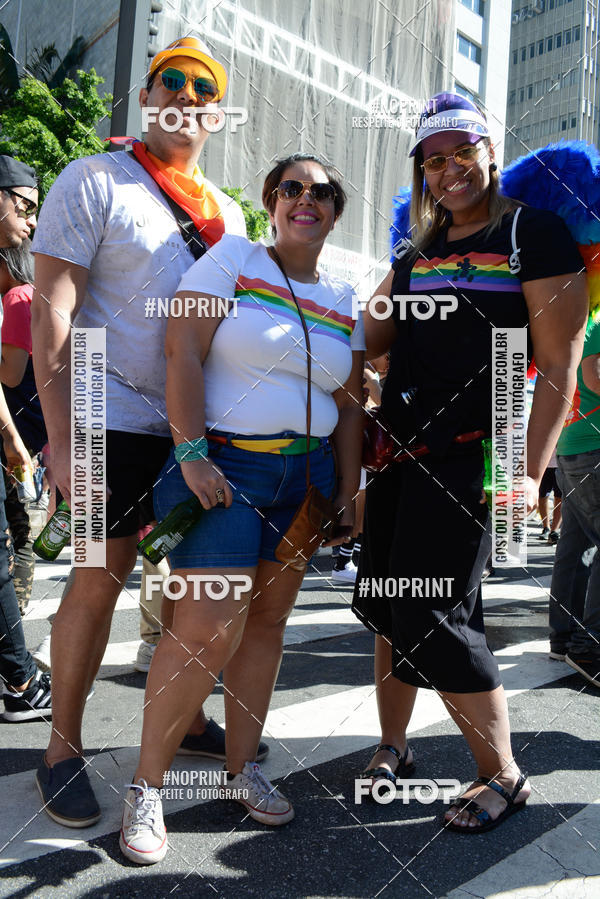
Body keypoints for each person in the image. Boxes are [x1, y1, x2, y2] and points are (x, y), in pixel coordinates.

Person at [119, 153, 364, 864]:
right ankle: (147, 785)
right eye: (293, 188)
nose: (306, 200)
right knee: (201, 632)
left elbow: (348, 406)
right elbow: (182, 348)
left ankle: (240, 769)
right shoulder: (232, 258)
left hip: (306, 478)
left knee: (266, 625)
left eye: (322, 191)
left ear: (334, 210)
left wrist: (348, 488)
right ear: (271, 200)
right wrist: (192, 452)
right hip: (227, 469)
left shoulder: (345, 296)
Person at [352, 92, 588, 833]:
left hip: (475, 454)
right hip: (398, 450)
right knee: (394, 600)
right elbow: (374, 335)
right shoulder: (418, 249)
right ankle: (395, 744)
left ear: (491, 149)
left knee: (436, 608)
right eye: (434, 160)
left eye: (464, 152)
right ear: (421, 172)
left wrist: (525, 469)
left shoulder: (532, 233)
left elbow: (559, 365)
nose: (451, 169)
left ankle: (503, 773)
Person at [31, 36, 249, 828]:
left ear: (217, 112)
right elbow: (53, 313)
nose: (186, 96)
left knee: (193, 584)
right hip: (104, 416)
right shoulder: (94, 178)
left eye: (203, 89)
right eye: (171, 82)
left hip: (194, 429)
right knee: (98, 577)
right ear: (147, 95)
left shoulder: (227, 210)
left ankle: (187, 719)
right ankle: (62, 747)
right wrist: (61, 439)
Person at [0, 155, 53, 722]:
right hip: (20, 442)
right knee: (11, 550)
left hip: (21, 442)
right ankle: (16, 677)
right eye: (24, 206)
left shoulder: (18, 300)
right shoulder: (23, 300)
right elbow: (9, 377)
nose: (32, 220)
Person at [549, 310, 600, 687]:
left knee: (575, 544)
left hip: (574, 447)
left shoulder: (586, 320)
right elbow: (593, 376)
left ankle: (565, 637)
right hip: (592, 448)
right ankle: (589, 647)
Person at [0, 240, 48, 616]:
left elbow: (11, 376)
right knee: (22, 530)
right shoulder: (41, 295)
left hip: (13, 434)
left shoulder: (17, 297)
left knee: (15, 529)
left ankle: (11, 630)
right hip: (37, 429)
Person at [537, 448, 562, 545]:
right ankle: (546, 527)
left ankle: (554, 531)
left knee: (560, 497)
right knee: (542, 496)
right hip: (543, 464)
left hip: (561, 464)